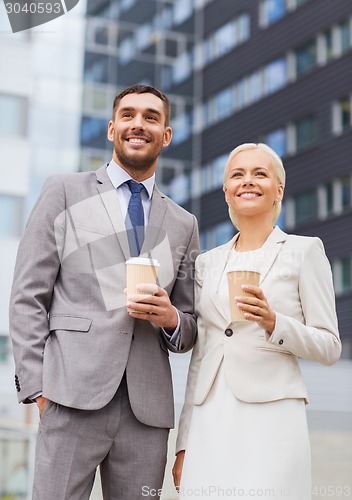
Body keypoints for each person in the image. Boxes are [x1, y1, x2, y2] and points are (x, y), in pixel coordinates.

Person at [9, 84, 199, 500]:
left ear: (166, 136)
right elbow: (28, 295)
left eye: (151, 117)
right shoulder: (64, 191)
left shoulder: (184, 223)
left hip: (146, 415)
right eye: (128, 115)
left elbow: (189, 327)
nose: (139, 124)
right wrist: (38, 389)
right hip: (69, 397)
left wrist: (170, 319)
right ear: (112, 128)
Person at [172, 143, 341, 499]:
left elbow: (329, 346)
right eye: (238, 174)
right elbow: (200, 357)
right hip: (210, 417)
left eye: (259, 173)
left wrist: (274, 323)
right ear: (227, 192)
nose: (247, 181)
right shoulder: (206, 263)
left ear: (279, 189)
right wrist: (183, 442)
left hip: (272, 416)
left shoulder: (304, 251)